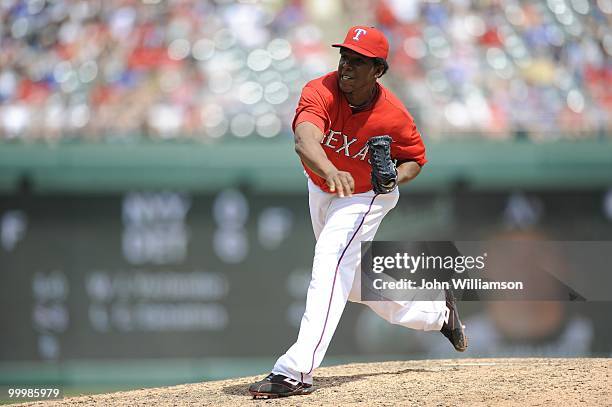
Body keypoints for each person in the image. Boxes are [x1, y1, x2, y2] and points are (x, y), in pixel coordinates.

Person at [249, 26, 467, 399]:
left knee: (330, 259)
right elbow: (304, 140)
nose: (346, 67)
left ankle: (296, 370)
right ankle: (436, 313)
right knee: (350, 284)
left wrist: (394, 178)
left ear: (378, 70)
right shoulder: (320, 89)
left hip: (367, 195)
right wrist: (330, 171)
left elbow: (415, 159)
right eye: (344, 57)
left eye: (357, 61)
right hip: (323, 186)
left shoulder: (394, 115)